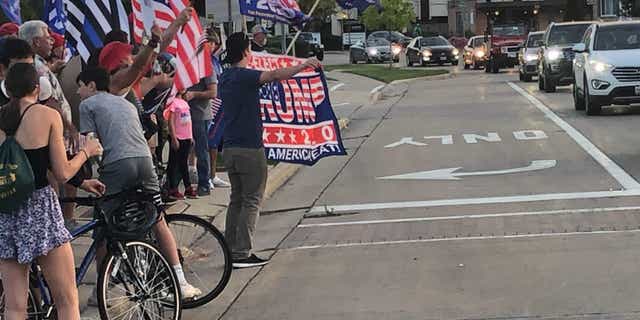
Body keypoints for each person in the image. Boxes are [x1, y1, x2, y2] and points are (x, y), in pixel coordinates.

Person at [76, 67, 202, 304]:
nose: (78, 92)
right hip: (144, 161)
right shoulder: (126, 103)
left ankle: (101, 292)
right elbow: (147, 129)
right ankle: (180, 281)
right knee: (156, 219)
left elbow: (90, 144)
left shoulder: (87, 105)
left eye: (80, 86)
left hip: (117, 164)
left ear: (92, 85)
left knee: (103, 226)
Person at [0, 62, 103, 320]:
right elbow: (62, 172)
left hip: (6, 210)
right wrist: (86, 151)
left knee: (14, 306)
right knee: (67, 299)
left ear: (7, 90)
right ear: (37, 88)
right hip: (40, 210)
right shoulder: (47, 116)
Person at [220, 32, 320, 268]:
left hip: (230, 147)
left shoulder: (225, 77)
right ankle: (242, 253)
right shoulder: (245, 77)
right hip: (249, 147)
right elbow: (275, 75)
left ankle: (230, 246)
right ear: (246, 51)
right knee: (252, 200)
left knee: (236, 200)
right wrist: (303, 65)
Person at [19, 21, 72, 126]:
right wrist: (68, 127)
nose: (52, 41)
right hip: (54, 128)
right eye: (48, 37)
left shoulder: (37, 64)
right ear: (37, 42)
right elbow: (50, 102)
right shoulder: (36, 66)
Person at [164, 94, 196, 199]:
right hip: (178, 137)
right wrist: (173, 137)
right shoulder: (173, 103)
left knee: (183, 163)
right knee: (173, 163)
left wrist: (191, 136)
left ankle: (187, 187)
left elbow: (189, 121)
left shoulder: (185, 103)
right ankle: (172, 188)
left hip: (186, 137)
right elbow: (171, 121)